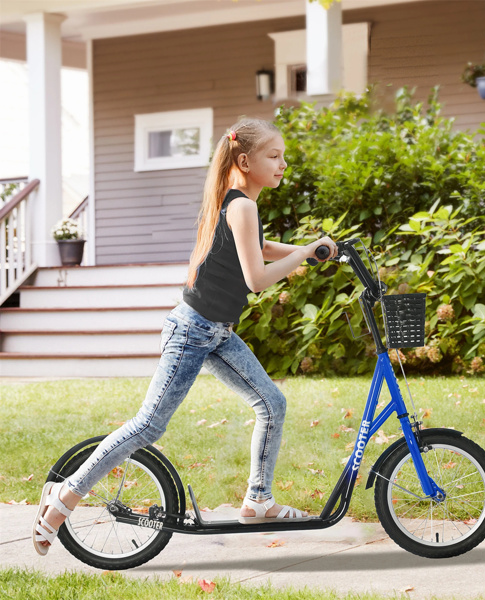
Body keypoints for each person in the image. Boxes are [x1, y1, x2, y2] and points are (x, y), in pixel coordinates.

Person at [32, 117, 338, 555]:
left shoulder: (237, 203)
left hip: (215, 332)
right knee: (148, 425)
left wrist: (315, 252)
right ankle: (64, 498)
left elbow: (262, 250)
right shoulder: (242, 205)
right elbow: (256, 277)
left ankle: (258, 499)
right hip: (193, 330)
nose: (283, 164)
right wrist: (306, 254)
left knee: (271, 402)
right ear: (245, 160)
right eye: (275, 156)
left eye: (284, 156)